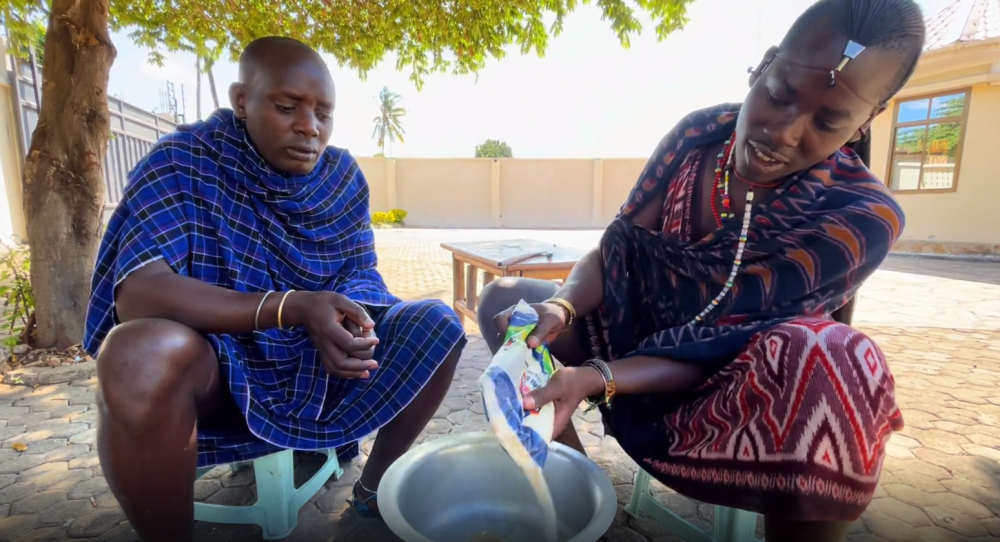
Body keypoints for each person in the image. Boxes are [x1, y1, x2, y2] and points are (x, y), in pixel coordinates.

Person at [478, 0, 923, 540]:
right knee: (507, 303)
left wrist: (600, 376)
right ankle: (577, 485)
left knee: (837, 364)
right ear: (762, 67)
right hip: (629, 336)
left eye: (827, 121)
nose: (783, 132)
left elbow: (724, 342)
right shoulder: (698, 136)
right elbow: (616, 247)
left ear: (863, 124)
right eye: (779, 94)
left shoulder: (859, 216)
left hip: (727, 393)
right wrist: (562, 305)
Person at [84, 37, 466, 542]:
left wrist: (353, 324)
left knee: (439, 325)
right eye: (288, 107)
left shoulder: (341, 178)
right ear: (242, 100)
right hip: (221, 365)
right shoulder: (184, 162)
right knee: (138, 354)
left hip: (317, 360)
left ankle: (373, 493)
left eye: (323, 114)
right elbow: (140, 292)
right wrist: (290, 307)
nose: (310, 127)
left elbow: (359, 273)